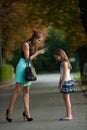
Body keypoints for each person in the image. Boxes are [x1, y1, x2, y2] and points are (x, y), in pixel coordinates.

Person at [5, 30, 46, 122]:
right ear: (34, 38)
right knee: (17, 90)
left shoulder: (33, 46)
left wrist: (36, 52)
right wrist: (38, 53)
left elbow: (31, 59)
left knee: (27, 90)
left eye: (40, 41)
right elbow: (27, 58)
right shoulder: (26, 45)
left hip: (28, 67)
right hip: (22, 67)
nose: (39, 42)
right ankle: (9, 111)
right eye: (39, 40)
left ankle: (27, 113)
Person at [54, 48, 75, 121]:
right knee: (65, 99)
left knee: (67, 99)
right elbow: (61, 74)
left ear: (61, 55)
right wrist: (59, 82)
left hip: (66, 82)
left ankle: (69, 115)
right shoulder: (63, 63)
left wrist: (61, 84)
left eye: (57, 57)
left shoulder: (65, 63)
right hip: (65, 82)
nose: (56, 59)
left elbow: (65, 75)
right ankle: (68, 114)